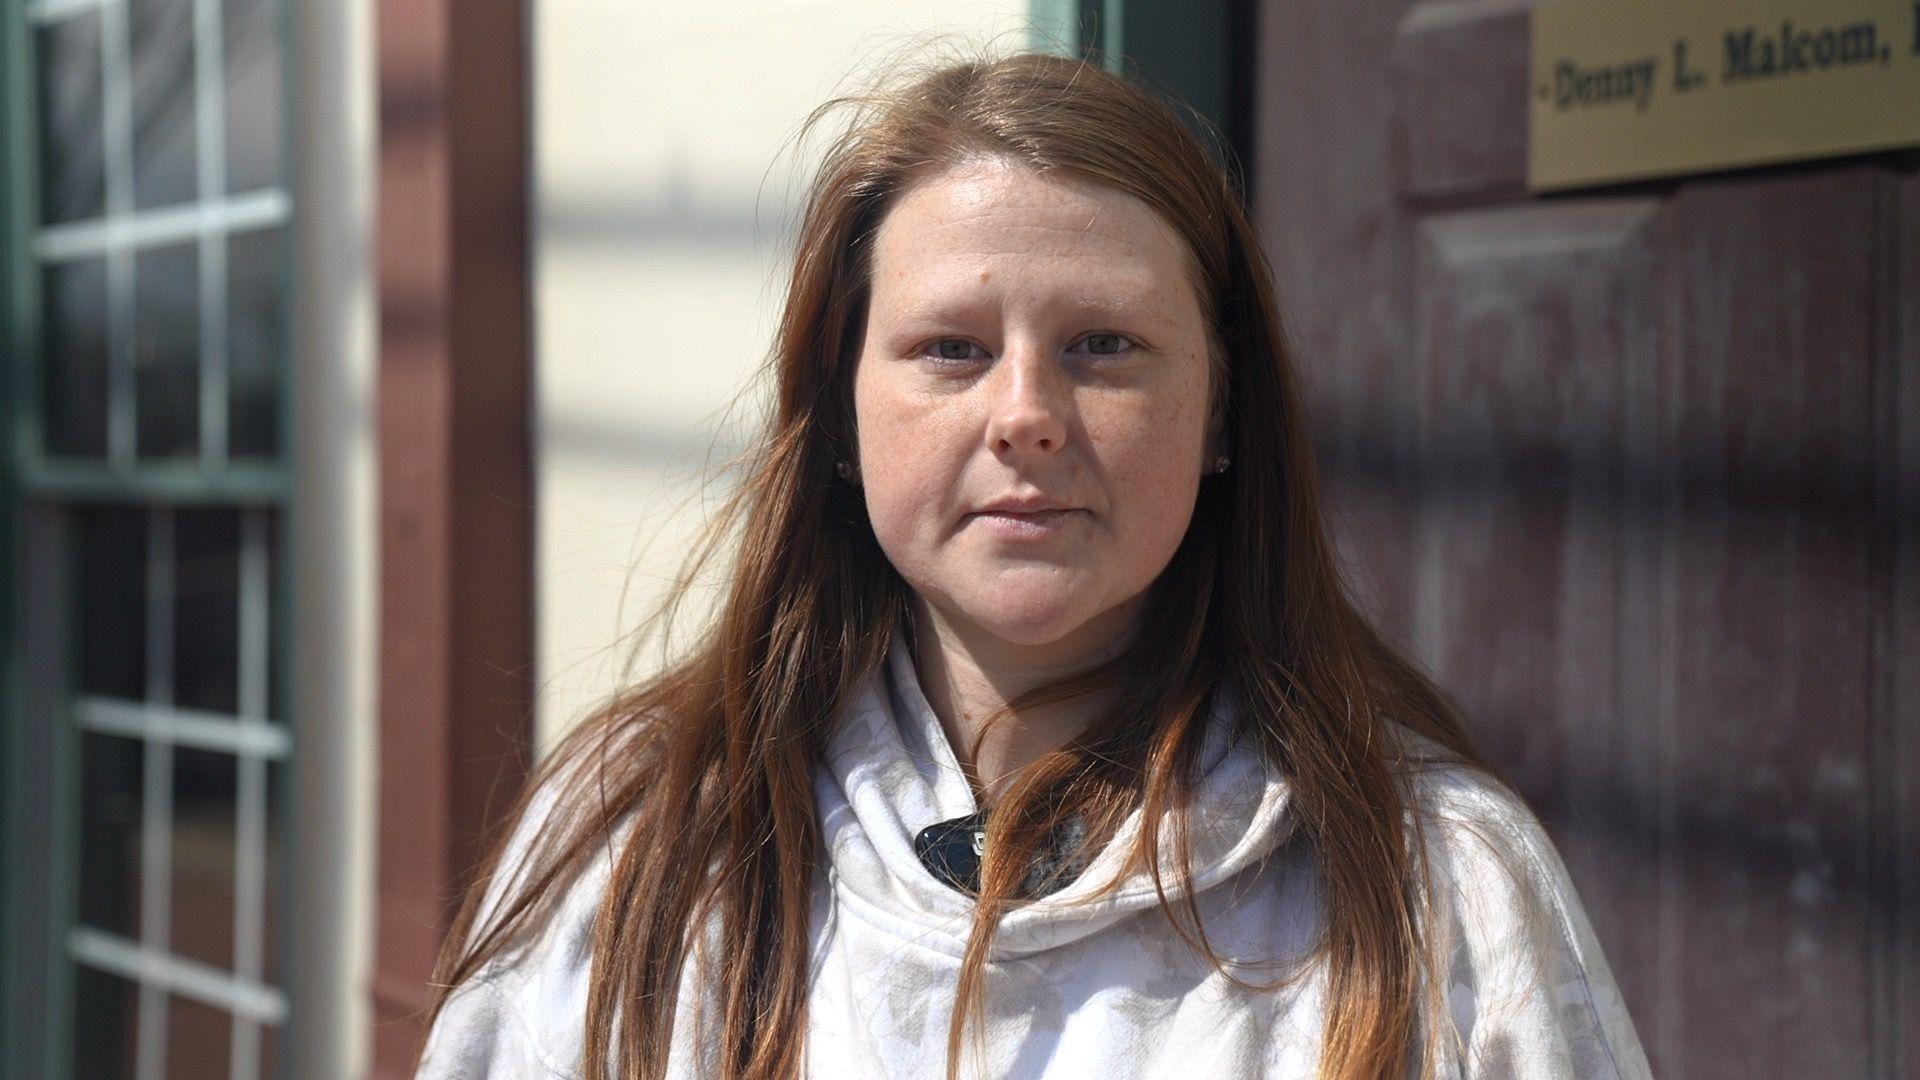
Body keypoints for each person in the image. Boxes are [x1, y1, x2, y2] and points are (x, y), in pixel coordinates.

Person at [414, 51, 1650, 1080]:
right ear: (840, 413)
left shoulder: (1437, 881)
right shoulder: (639, 843)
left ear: (1223, 412)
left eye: (1104, 345)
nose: (1027, 414)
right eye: (950, 347)